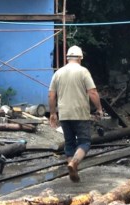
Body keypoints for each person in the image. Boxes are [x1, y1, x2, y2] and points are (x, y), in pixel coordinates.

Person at [48, 45, 103, 182]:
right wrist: (99, 109)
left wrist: (53, 113)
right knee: (84, 142)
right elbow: (92, 92)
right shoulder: (83, 71)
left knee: (69, 143)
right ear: (80, 58)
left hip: (64, 114)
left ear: (67, 58)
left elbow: (51, 95)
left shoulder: (58, 73)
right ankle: (74, 163)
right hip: (80, 114)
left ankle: (72, 168)